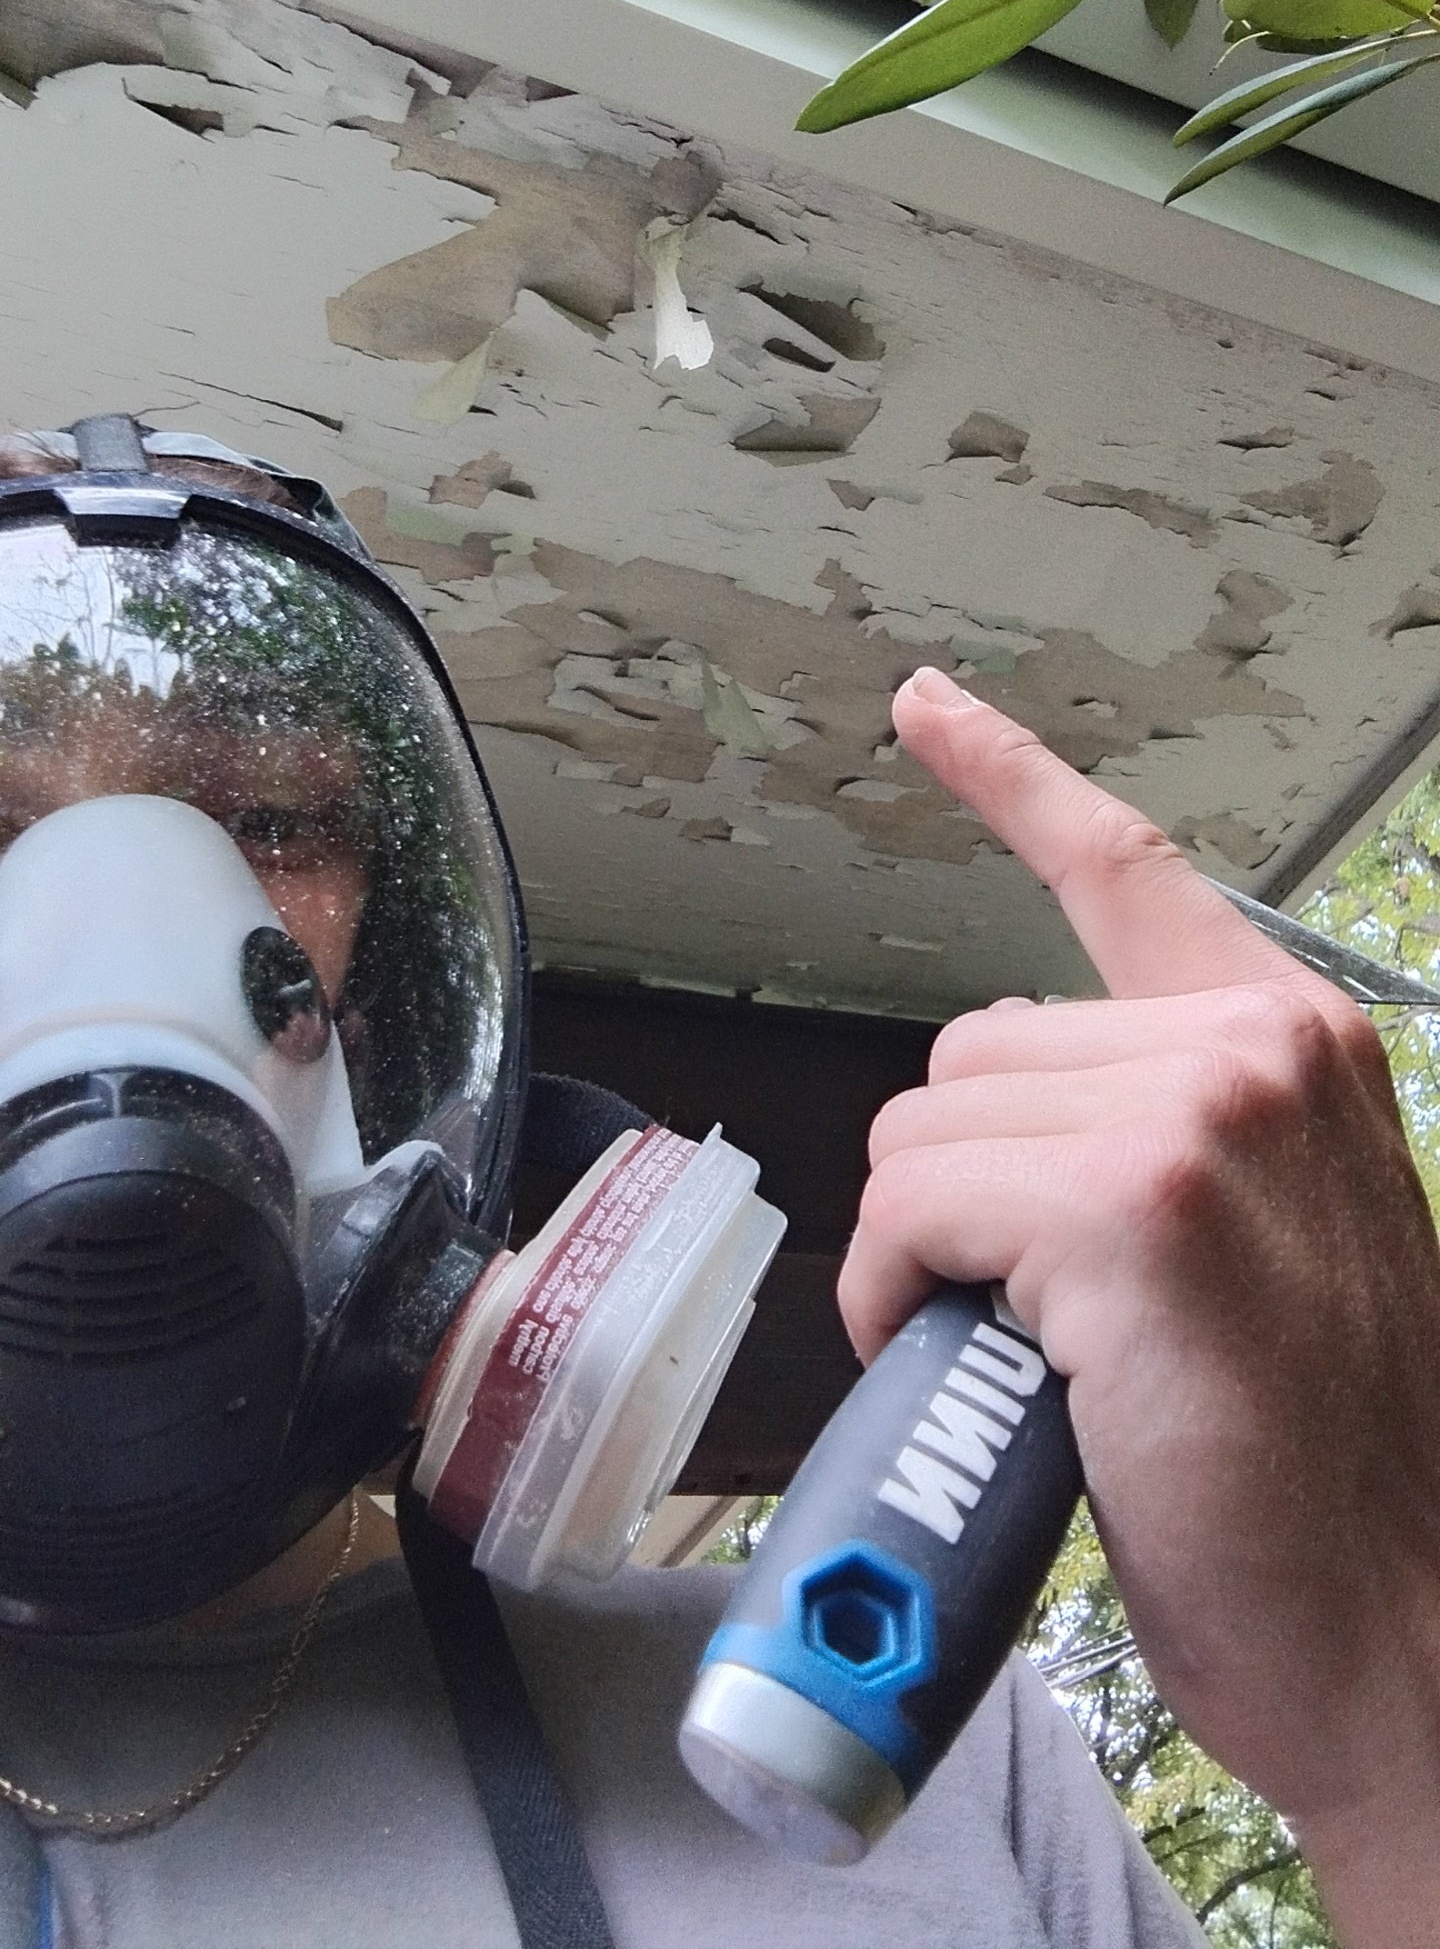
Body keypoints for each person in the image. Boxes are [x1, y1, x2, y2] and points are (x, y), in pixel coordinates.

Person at [0, 420, 1430, 1949]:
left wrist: (1393, 1731)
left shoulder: (875, 1759)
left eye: (272, 821)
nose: (115, 929)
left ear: (386, 1001)